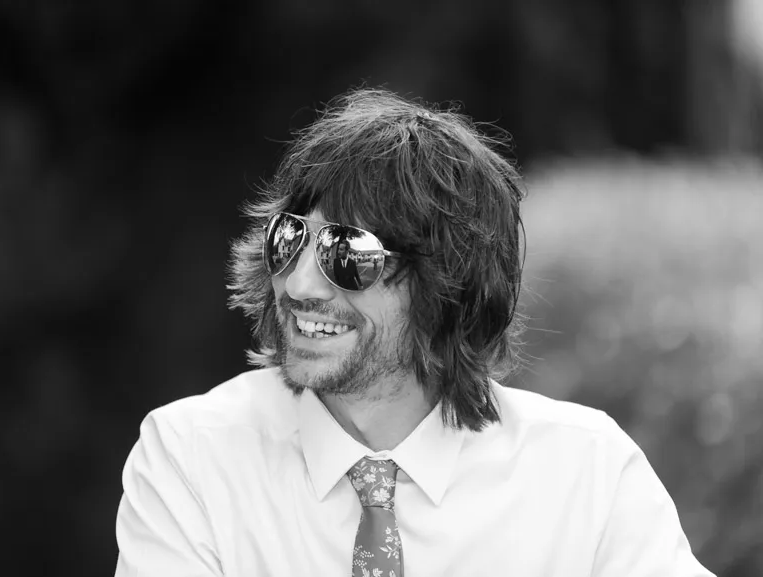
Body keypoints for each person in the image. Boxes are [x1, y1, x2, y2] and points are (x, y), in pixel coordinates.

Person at [113, 89, 715, 576]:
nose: (299, 285)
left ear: (446, 284)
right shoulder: (192, 458)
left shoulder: (587, 474)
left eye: (345, 255)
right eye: (289, 238)